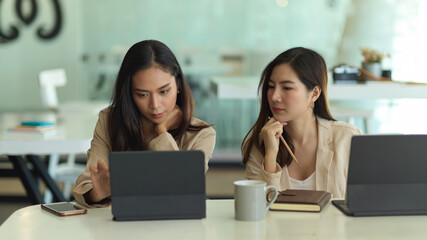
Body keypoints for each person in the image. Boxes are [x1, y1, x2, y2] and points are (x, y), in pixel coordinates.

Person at [73, 40, 216, 207]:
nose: (155, 105)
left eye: (164, 91)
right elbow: (85, 186)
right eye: (142, 94)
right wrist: (99, 192)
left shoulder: (202, 134)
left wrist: (161, 132)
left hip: (176, 228)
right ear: (129, 93)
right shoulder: (109, 121)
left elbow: (183, 191)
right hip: (121, 228)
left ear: (177, 85)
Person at [241, 47, 361, 198]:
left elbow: (366, 202)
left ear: (314, 93)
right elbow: (257, 208)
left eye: (287, 88)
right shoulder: (261, 145)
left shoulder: (347, 138)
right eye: (271, 87)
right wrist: (270, 156)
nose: (274, 97)